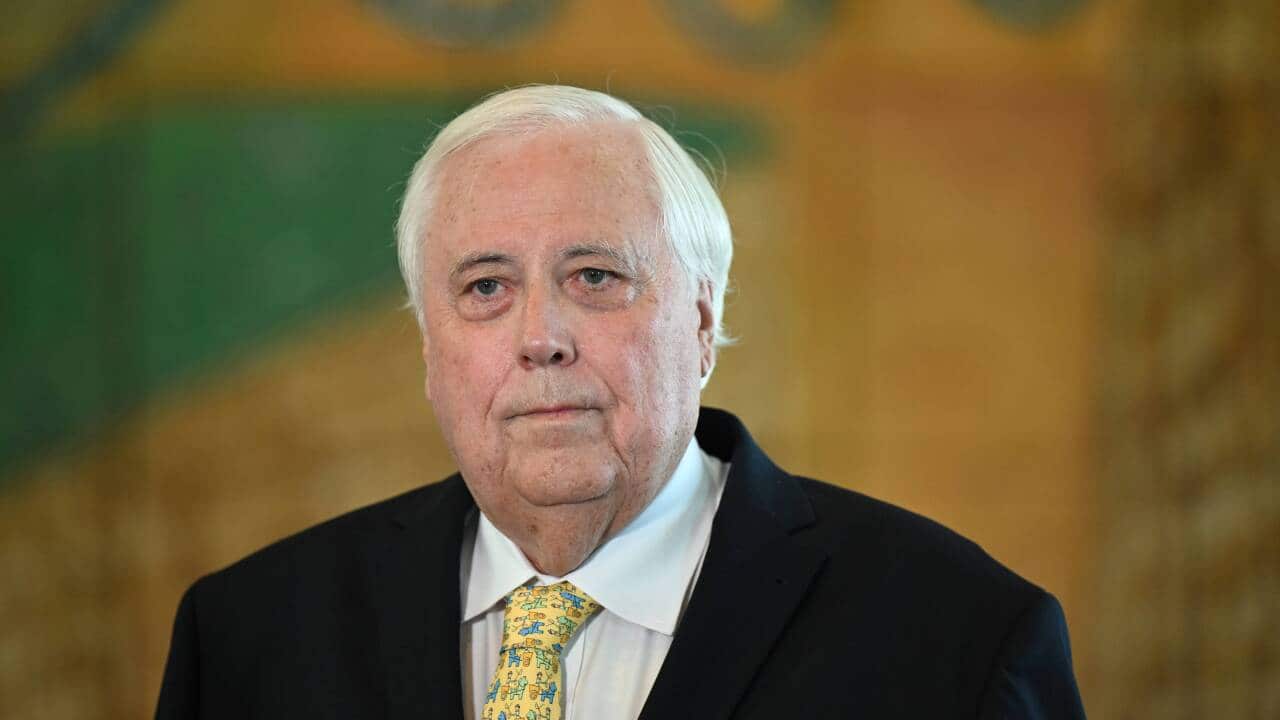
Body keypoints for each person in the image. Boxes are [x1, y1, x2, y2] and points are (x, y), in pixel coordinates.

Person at [156, 85, 1086, 719]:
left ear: (699, 318)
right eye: (485, 287)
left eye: (595, 275)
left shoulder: (961, 643)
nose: (540, 335)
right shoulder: (248, 642)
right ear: (428, 346)